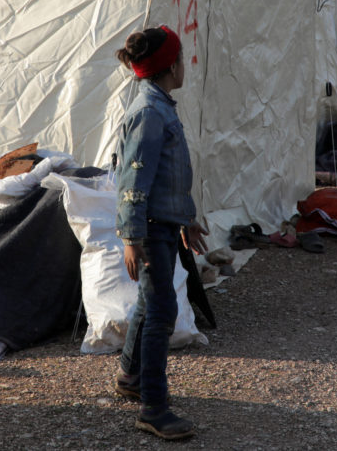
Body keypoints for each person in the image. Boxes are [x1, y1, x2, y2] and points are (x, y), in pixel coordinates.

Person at [112, 24, 208, 441]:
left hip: (164, 226)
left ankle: (131, 377)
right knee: (162, 311)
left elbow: (170, 175)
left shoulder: (161, 106)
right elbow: (133, 181)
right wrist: (131, 239)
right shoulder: (149, 114)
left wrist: (185, 218)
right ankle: (153, 407)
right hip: (149, 231)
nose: (185, 65)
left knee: (151, 306)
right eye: (182, 58)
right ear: (171, 65)